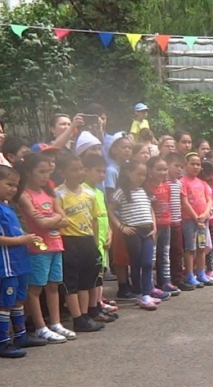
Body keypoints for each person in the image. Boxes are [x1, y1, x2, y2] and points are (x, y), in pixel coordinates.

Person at [0, 165, 47, 358]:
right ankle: (3, 342)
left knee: (19, 299)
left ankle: (21, 335)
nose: (13, 189)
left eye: (16, 186)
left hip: (18, 262)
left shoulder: (7, 205)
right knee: (4, 303)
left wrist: (27, 236)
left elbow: (13, 231)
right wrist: (21, 240)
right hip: (5, 264)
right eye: (9, 184)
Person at [15, 154, 76, 344]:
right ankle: (40, 326)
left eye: (47, 172)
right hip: (38, 248)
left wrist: (52, 220)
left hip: (56, 244)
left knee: (53, 286)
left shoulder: (50, 193)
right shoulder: (25, 195)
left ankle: (56, 323)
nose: (45, 176)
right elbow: (40, 222)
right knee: (35, 288)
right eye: (41, 172)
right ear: (28, 172)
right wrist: (54, 219)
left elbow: (65, 219)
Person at [54, 157, 106, 332]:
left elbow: (94, 219)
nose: (79, 173)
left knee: (87, 280)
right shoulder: (58, 194)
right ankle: (77, 317)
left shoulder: (89, 193)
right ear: (62, 172)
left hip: (87, 239)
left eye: (81, 169)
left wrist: (95, 241)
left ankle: (85, 315)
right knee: (72, 281)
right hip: (69, 240)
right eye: (74, 170)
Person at [109, 160, 166, 310]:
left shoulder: (145, 191)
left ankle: (147, 292)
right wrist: (121, 227)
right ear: (128, 173)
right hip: (133, 231)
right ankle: (140, 293)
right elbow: (110, 209)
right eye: (138, 174)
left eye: (144, 175)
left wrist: (154, 226)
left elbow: (151, 209)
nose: (141, 177)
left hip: (147, 230)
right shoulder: (122, 191)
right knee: (136, 262)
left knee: (147, 262)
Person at [81, 154, 119, 310]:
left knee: (101, 272)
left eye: (104, 172)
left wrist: (110, 231)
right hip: (92, 239)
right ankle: (94, 304)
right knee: (93, 274)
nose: (102, 175)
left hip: (103, 238)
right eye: (98, 171)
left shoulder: (99, 191)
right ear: (86, 170)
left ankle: (99, 301)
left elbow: (103, 214)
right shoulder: (83, 190)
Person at [104, 134, 133, 299]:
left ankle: (131, 281)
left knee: (130, 251)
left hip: (131, 215)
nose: (127, 150)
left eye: (129, 147)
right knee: (121, 253)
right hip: (118, 216)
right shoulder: (112, 170)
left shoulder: (129, 168)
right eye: (124, 147)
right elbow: (110, 194)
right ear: (114, 150)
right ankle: (123, 285)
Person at [146, 157, 180, 295]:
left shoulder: (166, 186)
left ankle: (165, 281)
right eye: (159, 169)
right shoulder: (147, 187)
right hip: (153, 226)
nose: (162, 172)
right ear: (150, 170)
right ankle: (150, 283)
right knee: (152, 256)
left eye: (164, 169)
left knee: (165, 253)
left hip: (167, 224)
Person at [180, 153, 213, 288]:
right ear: (186, 165)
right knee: (190, 248)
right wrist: (195, 216)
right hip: (189, 220)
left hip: (203, 220)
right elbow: (184, 201)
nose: (195, 167)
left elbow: (209, 200)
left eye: (198, 164)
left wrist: (205, 214)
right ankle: (189, 274)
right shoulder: (183, 182)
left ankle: (201, 273)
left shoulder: (203, 183)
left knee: (201, 247)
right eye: (192, 164)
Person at [164, 153, 189, 291]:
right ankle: (165, 280)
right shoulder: (163, 183)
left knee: (178, 251)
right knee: (165, 253)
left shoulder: (179, 183)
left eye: (181, 167)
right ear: (167, 165)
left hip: (177, 222)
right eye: (176, 166)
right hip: (166, 223)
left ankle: (178, 278)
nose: (179, 169)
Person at [197, 161, 213, 280]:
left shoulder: (205, 185)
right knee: (201, 246)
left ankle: (202, 270)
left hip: (206, 219)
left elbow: (209, 204)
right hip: (202, 220)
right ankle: (198, 269)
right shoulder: (202, 185)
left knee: (206, 246)